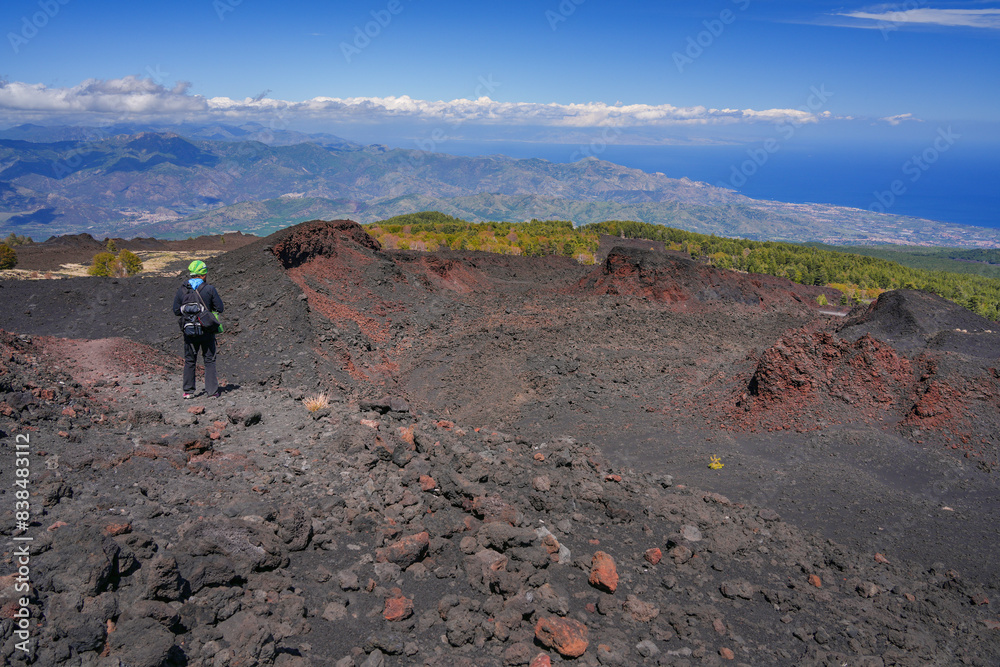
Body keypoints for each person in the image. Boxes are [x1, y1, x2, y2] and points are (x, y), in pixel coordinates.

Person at [172, 260, 224, 399]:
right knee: (209, 360)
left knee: (190, 360)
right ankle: (212, 392)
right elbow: (220, 308)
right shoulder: (209, 289)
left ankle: (188, 391)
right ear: (203, 274)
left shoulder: (182, 289)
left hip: (189, 332)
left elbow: (176, 311)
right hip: (207, 330)